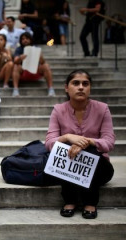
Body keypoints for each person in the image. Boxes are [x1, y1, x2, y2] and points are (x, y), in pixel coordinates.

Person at [45, 69, 115, 219]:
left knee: (90, 151)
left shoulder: (102, 109)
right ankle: (70, 200)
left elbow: (109, 142)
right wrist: (68, 137)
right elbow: (49, 143)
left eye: (85, 83)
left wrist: (87, 142)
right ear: (66, 88)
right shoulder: (58, 110)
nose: (81, 87)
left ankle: (90, 202)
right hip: (68, 168)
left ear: (89, 88)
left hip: (100, 169)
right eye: (75, 83)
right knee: (64, 151)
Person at [12, 32, 55, 97]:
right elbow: (15, 61)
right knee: (16, 66)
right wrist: (20, 58)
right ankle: (15, 90)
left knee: (46, 65)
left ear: (30, 39)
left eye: (27, 38)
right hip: (23, 72)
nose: (25, 40)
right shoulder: (19, 49)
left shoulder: (36, 48)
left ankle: (51, 89)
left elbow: (42, 62)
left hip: (35, 71)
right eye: (23, 39)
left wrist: (40, 56)